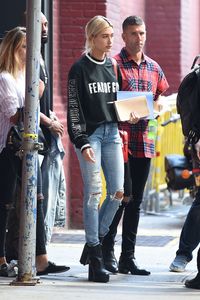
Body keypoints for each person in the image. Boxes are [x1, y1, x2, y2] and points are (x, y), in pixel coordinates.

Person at [102, 15, 169, 275]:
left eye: (141, 33)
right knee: (120, 197)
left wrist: (158, 108)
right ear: (124, 36)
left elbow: (160, 97)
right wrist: (124, 111)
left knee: (136, 201)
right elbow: (105, 102)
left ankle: (127, 258)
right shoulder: (113, 65)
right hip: (119, 142)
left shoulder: (154, 67)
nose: (138, 38)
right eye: (133, 33)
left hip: (145, 141)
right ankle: (105, 249)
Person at [0, 26, 69, 277]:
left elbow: (29, 110)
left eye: (31, 47)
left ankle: (41, 257)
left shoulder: (22, 76)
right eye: (24, 47)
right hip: (8, 147)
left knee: (36, 199)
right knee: (5, 203)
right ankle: (1, 259)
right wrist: (36, 95)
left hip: (27, 146)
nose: (29, 52)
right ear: (13, 49)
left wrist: (48, 121)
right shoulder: (5, 78)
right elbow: (16, 115)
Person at [67, 15, 124, 283]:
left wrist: (127, 115)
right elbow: (74, 109)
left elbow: (115, 102)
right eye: (105, 36)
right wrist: (82, 141)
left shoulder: (113, 65)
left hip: (112, 133)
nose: (110, 41)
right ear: (92, 38)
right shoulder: (79, 69)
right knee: (93, 194)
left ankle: (93, 245)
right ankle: (95, 261)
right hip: (90, 136)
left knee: (117, 193)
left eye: (112, 36)